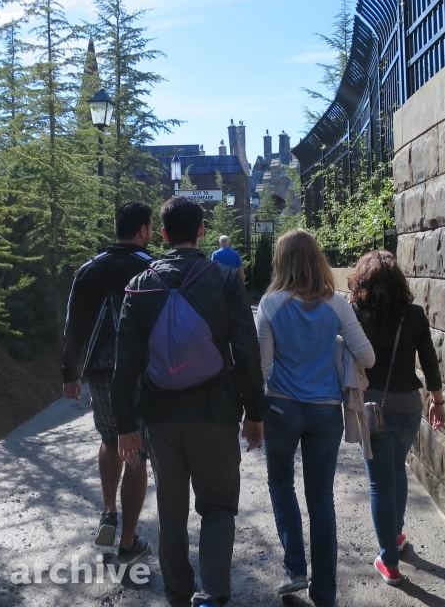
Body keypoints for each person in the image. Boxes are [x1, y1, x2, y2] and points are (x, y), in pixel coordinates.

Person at [113, 196, 265, 607]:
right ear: (201, 231)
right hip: (215, 412)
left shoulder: (140, 285)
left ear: (162, 235)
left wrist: (125, 424)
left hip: (160, 418)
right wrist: (254, 413)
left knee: (172, 510)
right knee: (217, 507)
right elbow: (246, 351)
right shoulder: (224, 279)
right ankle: (212, 596)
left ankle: (178, 596)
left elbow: (125, 363)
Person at [255, 229, 374, 607]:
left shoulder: (270, 304)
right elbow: (367, 357)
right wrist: (335, 343)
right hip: (326, 413)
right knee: (321, 499)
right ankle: (325, 593)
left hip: (281, 408)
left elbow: (263, 367)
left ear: (282, 261)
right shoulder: (338, 305)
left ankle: (296, 570)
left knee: (280, 483)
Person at [61, 202, 154, 565]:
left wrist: (70, 373)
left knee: (109, 438)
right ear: (144, 231)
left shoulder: (89, 270)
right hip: (143, 373)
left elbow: (74, 325)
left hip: (100, 371)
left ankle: (109, 510)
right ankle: (128, 541)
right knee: (137, 452)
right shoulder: (152, 268)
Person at [347, 250, 445, 586]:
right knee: (397, 470)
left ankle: (388, 560)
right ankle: (397, 535)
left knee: (379, 483)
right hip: (408, 405)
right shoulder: (414, 315)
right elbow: (429, 361)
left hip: (372, 407)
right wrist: (437, 401)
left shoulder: (356, 313)